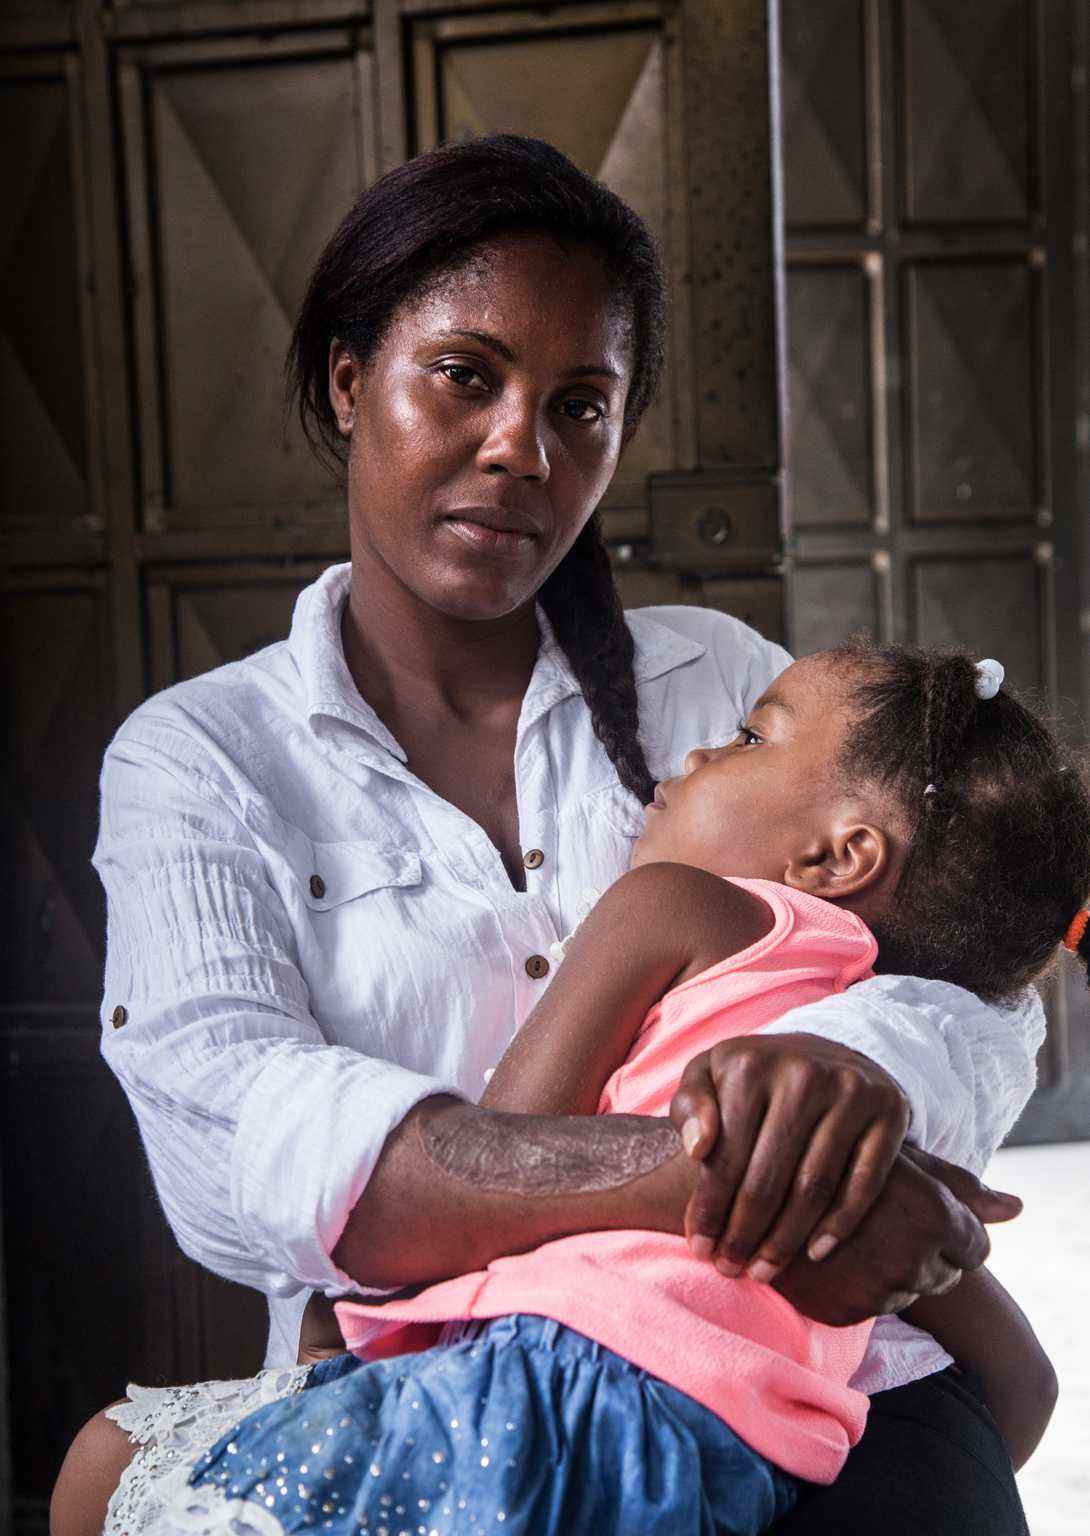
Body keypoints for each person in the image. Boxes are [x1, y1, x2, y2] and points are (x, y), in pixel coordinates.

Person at [51, 136, 1045, 1536]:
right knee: (106, 1471)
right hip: (444, 1420)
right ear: (350, 384)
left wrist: (847, 1079)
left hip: (819, 1397)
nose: (524, 447)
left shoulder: (713, 681)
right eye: (466, 375)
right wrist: (736, 1173)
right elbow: (240, 1151)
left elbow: (960, 967)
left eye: (580, 405)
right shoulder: (203, 761)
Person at [161, 642, 1073, 1536]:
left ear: (837, 859)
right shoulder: (900, 1030)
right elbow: (1025, 1395)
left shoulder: (675, 904)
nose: (700, 754)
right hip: (746, 1462)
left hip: (544, 1389)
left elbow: (507, 1148)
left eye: (753, 739)